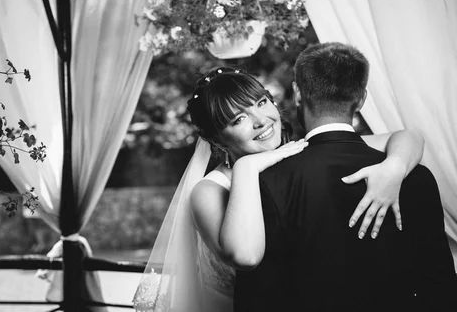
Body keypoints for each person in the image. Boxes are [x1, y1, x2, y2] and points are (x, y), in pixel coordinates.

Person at [133, 65, 425, 312]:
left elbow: (407, 138)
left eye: (261, 103)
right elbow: (246, 257)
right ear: (217, 139)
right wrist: (249, 167)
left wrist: (394, 168)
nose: (261, 121)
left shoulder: (305, 151)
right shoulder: (208, 192)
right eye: (239, 119)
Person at [230, 43, 457, 311]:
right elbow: (439, 285)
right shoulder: (416, 176)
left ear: (298, 94)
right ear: (361, 99)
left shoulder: (267, 181)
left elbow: (258, 296)